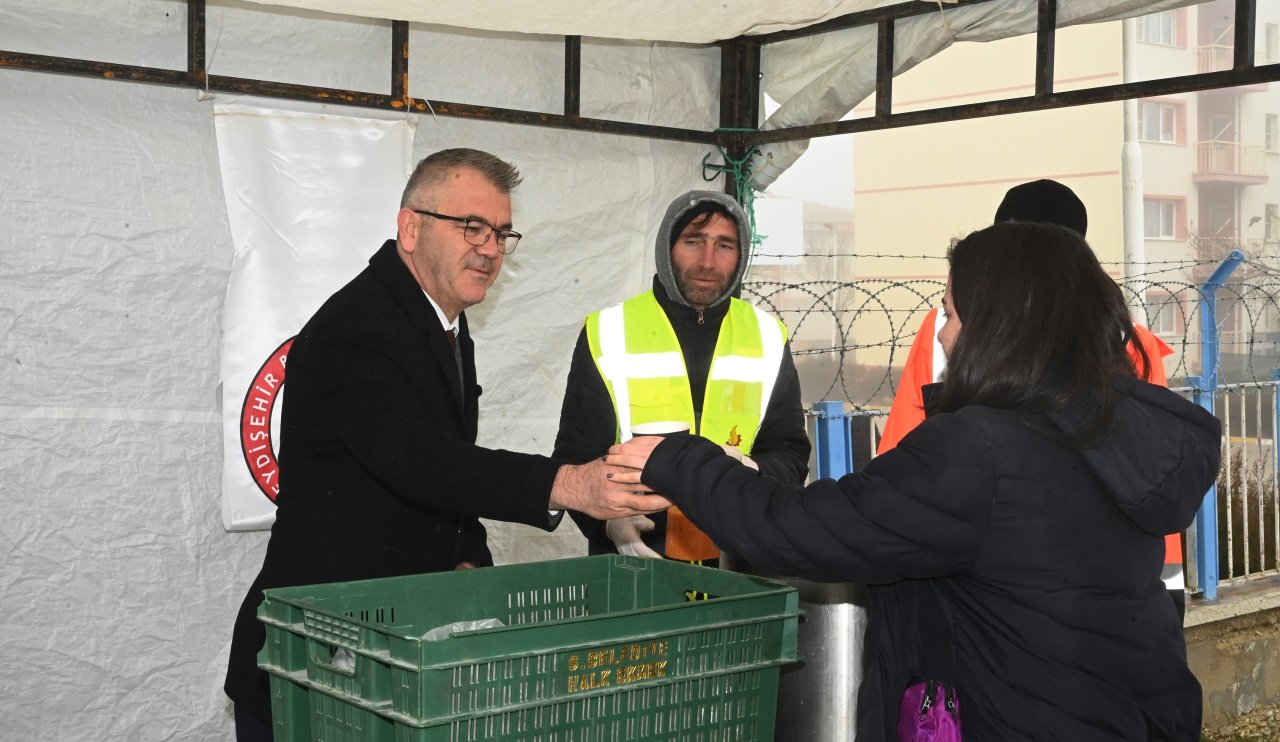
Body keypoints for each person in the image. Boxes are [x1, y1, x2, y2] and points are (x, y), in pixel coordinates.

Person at [609, 221, 1221, 741]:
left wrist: (679, 458)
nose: (945, 333)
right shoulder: (1111, 427)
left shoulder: (982, 450)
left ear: (1002, 325)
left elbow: (798, 533)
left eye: (952, 313)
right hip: (1131, 711)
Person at [224, 148, 670, 740]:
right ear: (411, 227)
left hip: (389, 661)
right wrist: (568, 483)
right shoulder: (355, 327)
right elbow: (416, 460)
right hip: (311, 667)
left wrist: (468, 558)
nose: (489, 248)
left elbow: (443, 478)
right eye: (472, 227)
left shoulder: (444, 323)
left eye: (501, 233)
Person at [877, 178, 1187, 617]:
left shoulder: (948, 327)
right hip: (1105, 577)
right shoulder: (1124, 339)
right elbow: (1150, 476)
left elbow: (899, 456)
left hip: (987, 569)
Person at [553, 190, 810, 563]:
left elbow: (790, 455)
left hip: (740, 557)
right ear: (667, 247)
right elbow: (575, 460)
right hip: (637, 561)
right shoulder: (608, 330)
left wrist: (749, 469)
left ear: (741, 257)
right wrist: (609, 527)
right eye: (693, 241)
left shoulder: (768, 336)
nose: (707, 261)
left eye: (724, 245)